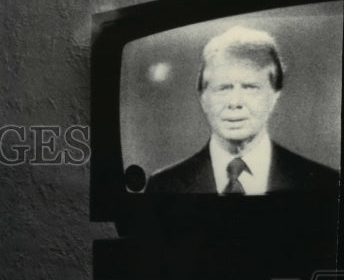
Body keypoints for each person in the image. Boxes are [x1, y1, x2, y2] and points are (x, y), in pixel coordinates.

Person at [145, 25, 339, 195]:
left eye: (250, 87)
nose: (235, 102)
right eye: (223, 88)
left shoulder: (325, 182)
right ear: (203, 98)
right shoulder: (163, 185)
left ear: (274, 95)